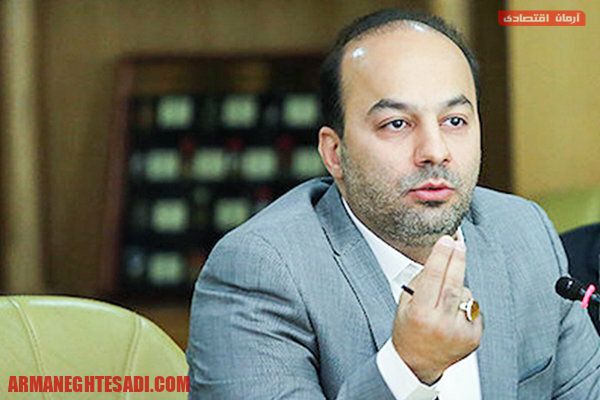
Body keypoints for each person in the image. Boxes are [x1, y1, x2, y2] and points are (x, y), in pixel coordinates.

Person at [186, 9, 600, 399]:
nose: (435, 151)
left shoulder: (523, 232)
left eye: (454, 121)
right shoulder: (260, 271)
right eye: (396, 124)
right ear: (334, 153)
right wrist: (408, 368)